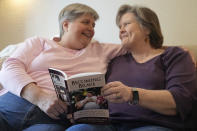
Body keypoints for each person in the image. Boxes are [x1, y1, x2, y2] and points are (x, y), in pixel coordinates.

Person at [66, 4, 197, 131]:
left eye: (126, 24)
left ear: (147, 28)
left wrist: (131, 94)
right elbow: (100, 97)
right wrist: (80, 111)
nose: (121, 30)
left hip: (153, 124)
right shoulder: (114, 60)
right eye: (120, 26)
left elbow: (180, 101)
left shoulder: (175, 55)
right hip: (109, 124)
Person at [0, 3, 126, 131]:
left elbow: (133, 45)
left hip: (51, 120)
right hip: (14, 104)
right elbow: (9, 67)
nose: (91, 29)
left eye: (93, 25)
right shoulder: (40, 42)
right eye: (86, 22)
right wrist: (40, 97)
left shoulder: (101, 49)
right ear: (66, 25)